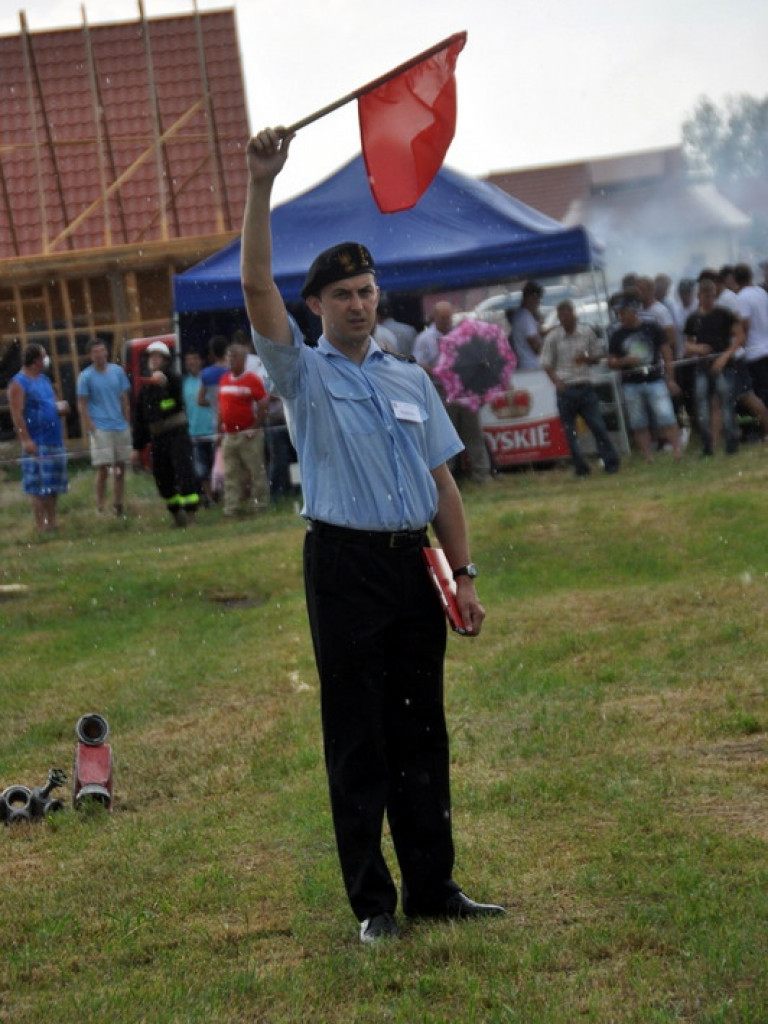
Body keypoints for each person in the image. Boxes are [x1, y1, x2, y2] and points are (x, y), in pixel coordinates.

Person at [241, 126, 504, 945]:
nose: (359, 302)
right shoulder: (304, 375)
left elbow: (442, 484)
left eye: (367, 290)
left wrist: (463, 575)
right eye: (343, 293)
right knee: (358, 735)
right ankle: (374, 906)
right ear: (316, 305)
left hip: (412, 567)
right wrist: (260, 185)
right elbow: (255, 289)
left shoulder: (409, 378)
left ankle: (435, 886)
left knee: (422, 728)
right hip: (344, 565)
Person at [540, 300, 620, 476]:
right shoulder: (553, 337)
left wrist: (587, 359)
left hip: (584, 385)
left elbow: (598, 357)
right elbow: (546, 363)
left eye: (566, 316)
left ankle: (610, 462)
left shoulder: (586, 332)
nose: (564, 320)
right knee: (570, 432)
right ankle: (580, 467)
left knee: (597, 426)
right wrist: (557, 382)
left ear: (574, 316)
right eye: (561, 317)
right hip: (566, 388)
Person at [131, 341, 200, 527]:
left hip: (177, 434)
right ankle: (177, 516)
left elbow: (178, 400)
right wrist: (137, 447)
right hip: (158, 438)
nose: (153, 360)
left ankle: (191, 515)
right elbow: (140, 420)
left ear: (165, 360)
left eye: (157, 357)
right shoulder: (145, 390)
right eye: (151, 357)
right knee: (163, 477)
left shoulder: (174, 379)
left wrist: (165, 385)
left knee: (184, 473)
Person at [607, 292, 681, 463]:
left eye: (622, 313)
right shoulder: (617, 335)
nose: (620, 317)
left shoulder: (652, 327)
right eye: (619, 314)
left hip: (655, 379)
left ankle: (677, 451)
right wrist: (624, 360)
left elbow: (667, 353)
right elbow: (610, 361)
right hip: (631, 383)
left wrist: (670, 378)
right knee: (638, 422)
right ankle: (648, 457)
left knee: (667, 417)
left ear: (632, 311)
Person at [9, 343, 69, 533]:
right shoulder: (18, 383)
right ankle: (40, 525)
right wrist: (26, 439)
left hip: (54, 440)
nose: (46, 360)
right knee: (38, 487)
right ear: (36, 361)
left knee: (53, 486)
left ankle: (52, 522)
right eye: (44, 356)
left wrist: (59, 408)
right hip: (37, 441)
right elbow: (16, 413)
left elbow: (50, 404)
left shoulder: (44, 380)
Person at [683, 278, 743, 456]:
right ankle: (707, 445)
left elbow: (740, 337)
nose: (709, 300)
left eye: (712, 297)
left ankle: (731, 444)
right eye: (706, 297)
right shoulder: (693, 318)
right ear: (699, 296)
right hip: (703, 366)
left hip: (723, 364)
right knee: (702, 407)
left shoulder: (724, 314)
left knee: (726, 405)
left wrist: (725, 356)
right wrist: (696, 348)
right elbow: (687, 344)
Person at [76, 338, 132, 516]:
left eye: (102, 350)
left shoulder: (117, 372)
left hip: (119, 424)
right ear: (90, 355)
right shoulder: (86, 376)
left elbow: (124, 397)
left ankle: (118, 503)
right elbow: (82, 403)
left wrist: (128, 420)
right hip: (101, 426)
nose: (100, 354)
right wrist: (90, 424)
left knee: (120, 467)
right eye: (96, 352)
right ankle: (100, 506)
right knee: (103, 468)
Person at [216, 340, 270, 516]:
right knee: (231, 473)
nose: (231, 361)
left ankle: (260, 505)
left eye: (235, 357)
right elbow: (221, 407)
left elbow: (263, 403)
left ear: (243, 360)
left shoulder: (251, 380)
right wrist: (219, 429)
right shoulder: (224, 379)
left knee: (256, 471)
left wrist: (255, 426)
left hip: (247, 433)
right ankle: (231, 507)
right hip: (229, 434)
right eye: (229, 357)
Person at [183, 349, 216, 504]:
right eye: (189, 359)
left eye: (195, 358)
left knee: (216, 467)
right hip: (194, 432)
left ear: (200, 360)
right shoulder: (185, 383)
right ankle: (210, 498)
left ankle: (218, 495)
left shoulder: (207, 379)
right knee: (201, 470)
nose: (192, 362)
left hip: (212, 430)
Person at [734, 262, 768, 409]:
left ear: (735, 280)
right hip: (766, 347)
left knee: (761, 393)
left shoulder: (742, 297)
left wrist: (739, 345)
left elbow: (745, 324)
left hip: (754, 351)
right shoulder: (761, 292)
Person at [508, 281, 545, 369]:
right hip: (531, 367)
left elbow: (538, 333)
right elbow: (536, 346)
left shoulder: (524, 315)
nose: (539, 302)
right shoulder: (525, 317)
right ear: (529, 298)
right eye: (537, 298)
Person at [413, 300, 454, 374]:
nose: (446, 321)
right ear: (435, 317)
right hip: (435, 382)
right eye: (442, 318)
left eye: (448, 317)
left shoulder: (457, 333)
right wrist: (437, 371)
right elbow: (417, 363)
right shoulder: (424, 338)